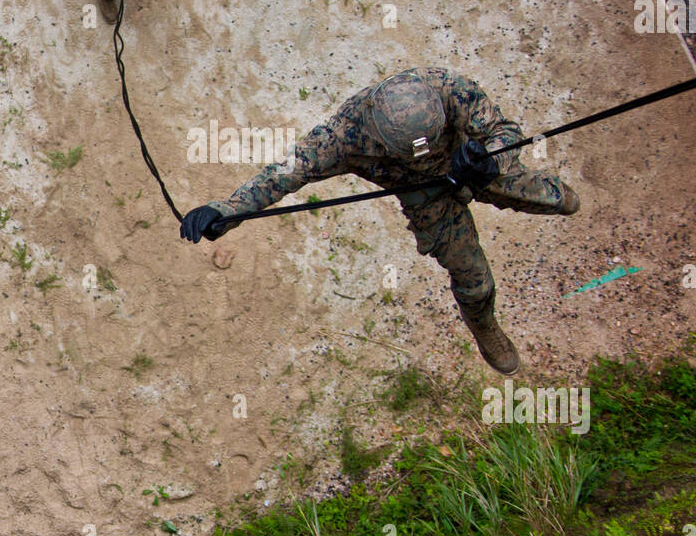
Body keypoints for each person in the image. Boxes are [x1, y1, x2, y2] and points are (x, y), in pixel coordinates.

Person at [178, 68, 581, 375]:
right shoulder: (342, 137)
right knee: (473, 277)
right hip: (428, 197)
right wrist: (226, 212)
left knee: (551, 198)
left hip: (475, 165)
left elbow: (504, 130)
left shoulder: (446, 88)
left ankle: (548, 195)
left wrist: (490, 158)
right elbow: (286, 173)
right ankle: (484, 323)